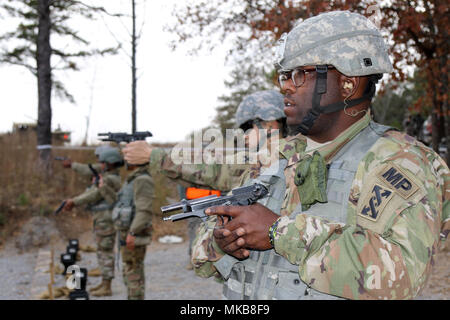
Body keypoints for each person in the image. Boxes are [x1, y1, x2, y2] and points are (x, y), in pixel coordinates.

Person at [191, 11, 450, 300]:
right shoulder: (274, 158)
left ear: (348, 83)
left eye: (300, 74)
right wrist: (223, 241)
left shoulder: (401, 162)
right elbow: (203, 253)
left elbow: (402, 277)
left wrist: (280, 233)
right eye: (285, 75)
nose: (285, 86)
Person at [122, 90, 287, 268]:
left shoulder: (277, 161)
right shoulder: (274, 161)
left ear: (270, 124)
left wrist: (155, 155)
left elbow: (218, 168)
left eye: (248, 127)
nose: (244, 136)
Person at [62, 147, 123, 297]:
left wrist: (74, 201)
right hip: (102, 218)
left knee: (105, 252)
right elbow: (92, 190)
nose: (100, 165)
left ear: (109, 163)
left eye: (102, 162)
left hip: (106, 219)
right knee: (102, 251)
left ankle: (107, 285)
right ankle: (104, 282)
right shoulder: (108, 176)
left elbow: (94, 195)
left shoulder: (109, 179)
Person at [111, 162, 154, 300]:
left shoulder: (142, 180)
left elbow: (144, 211)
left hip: (134, 233)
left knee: (134, 273)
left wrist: (133, 232)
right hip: (128, 232)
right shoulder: (134, 178)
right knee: (129, 271)